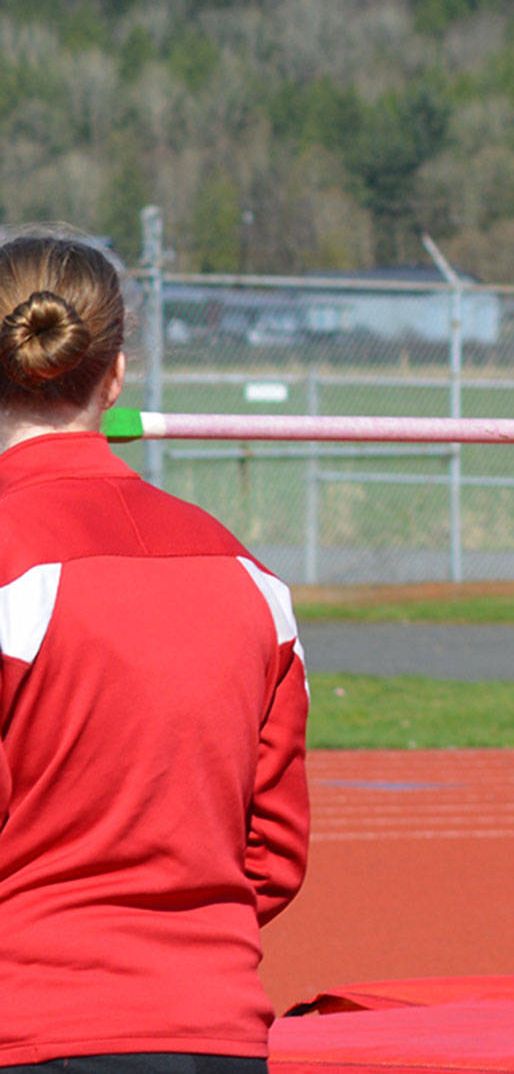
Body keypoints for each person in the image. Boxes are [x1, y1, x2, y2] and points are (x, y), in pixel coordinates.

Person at [0, 229, 310, 1072]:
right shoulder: (251, 579)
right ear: (116, 374)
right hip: (216, 1027)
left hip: (33, 1025)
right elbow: (275, 851)